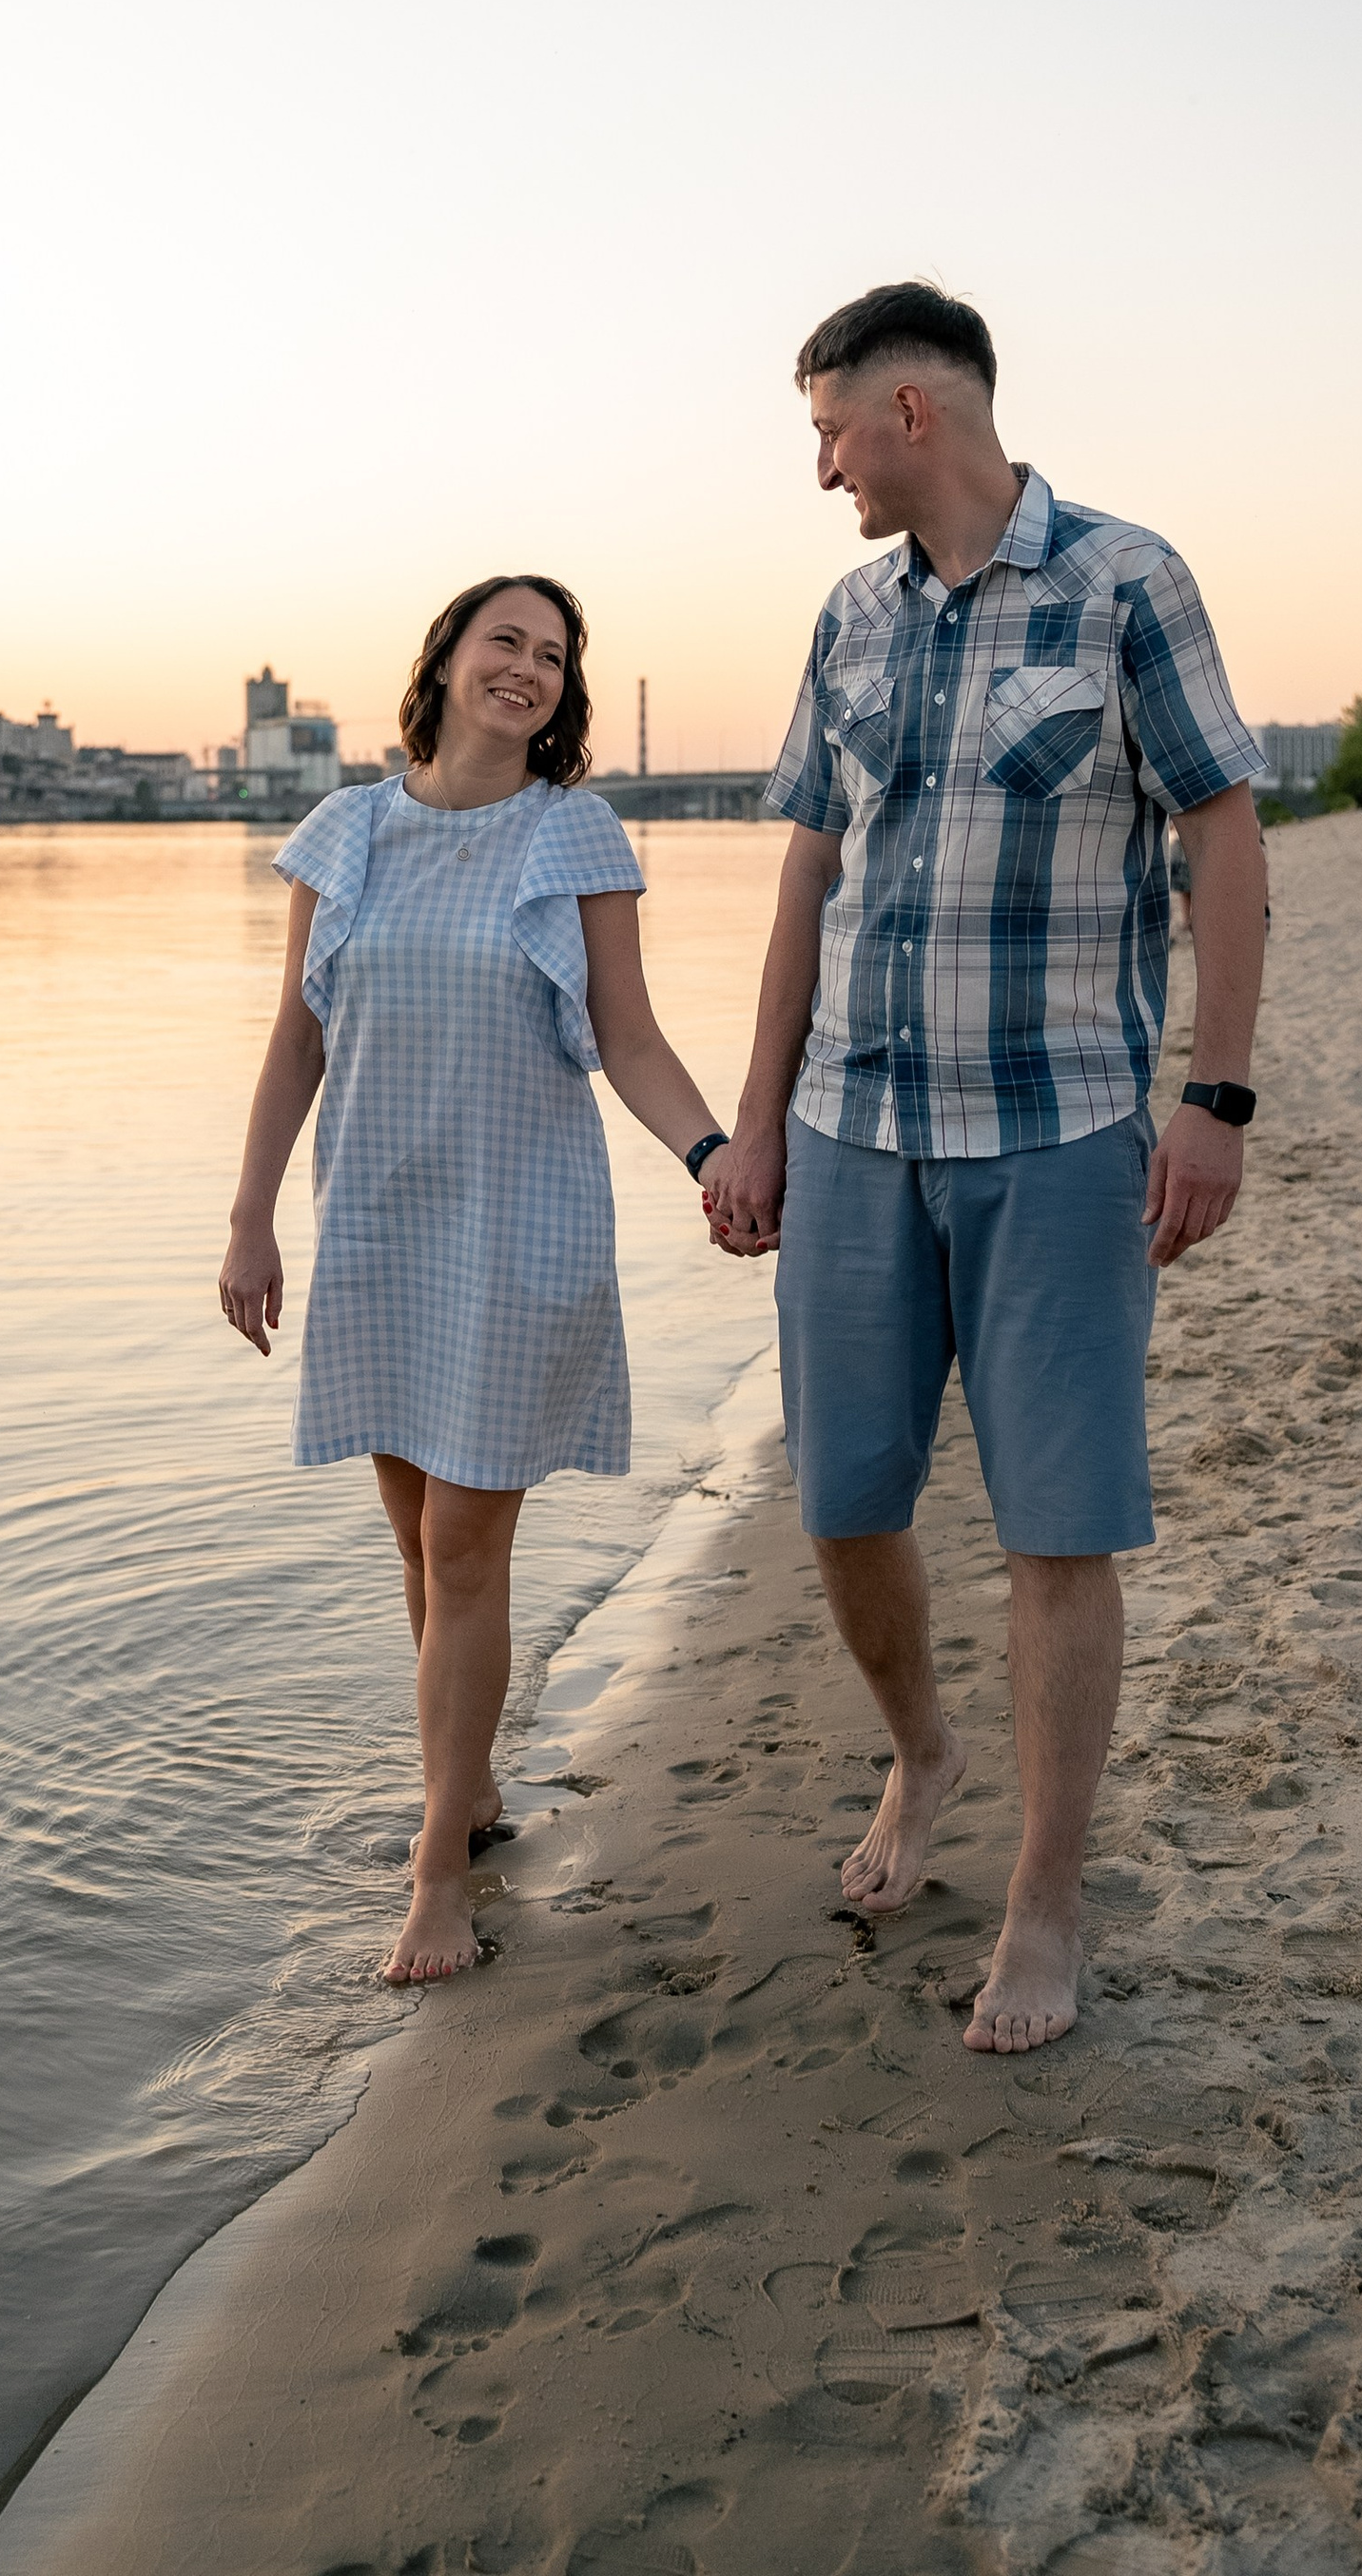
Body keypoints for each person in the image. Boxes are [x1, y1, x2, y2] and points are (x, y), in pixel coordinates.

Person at [700, 283, 1268, 2055]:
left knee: (1058, 1528)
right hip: (854, 1131)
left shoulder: (1126, 582)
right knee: (841, 1504)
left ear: (910, 412)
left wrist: (1217, 1097)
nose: (821, 471)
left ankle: (1044, 1901)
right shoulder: (849, 619)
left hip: (1060, 1132)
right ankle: (924, 1752)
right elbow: (809, 870)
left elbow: (1224, 834)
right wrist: (759, 1114)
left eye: (827, 432)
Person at [220, 574, 733, 1989]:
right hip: (377, 1224)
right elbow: (295, 1043)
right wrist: (251, 1219)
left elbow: (629, 1034)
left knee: (462, 1550)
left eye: (554, 656)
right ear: (444, 657)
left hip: (521, 1230)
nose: (529, 667)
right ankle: (475, 1782)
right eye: (505, 640)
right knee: (418, 1546)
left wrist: (713, 1154)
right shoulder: (343, 832)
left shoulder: (574, 832)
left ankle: (438, 1869)